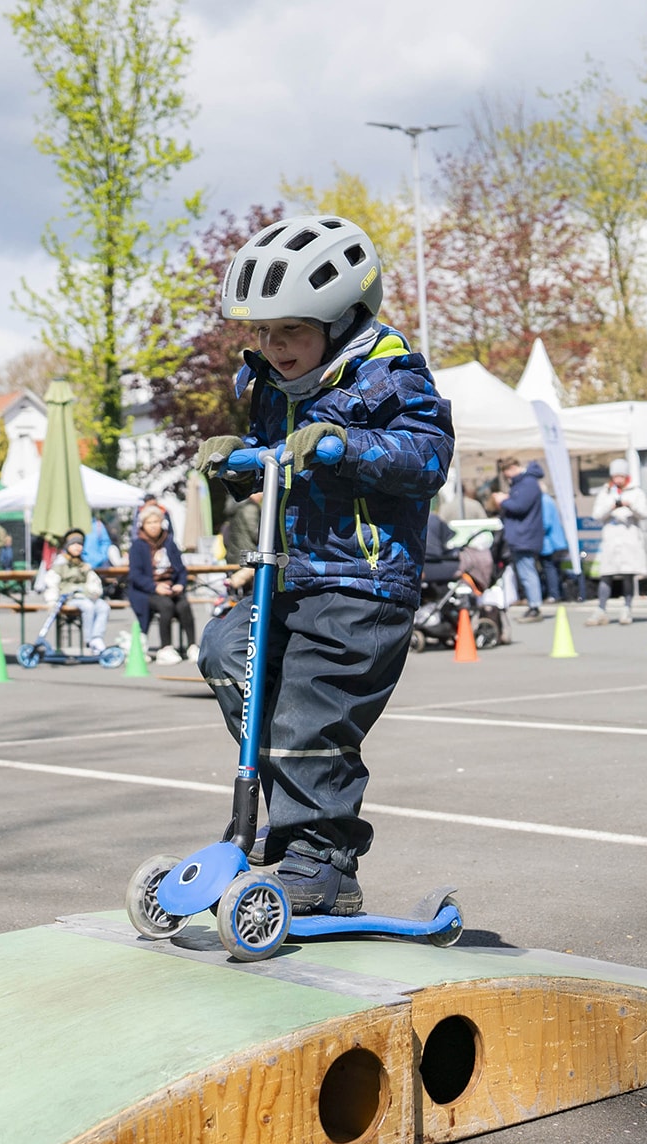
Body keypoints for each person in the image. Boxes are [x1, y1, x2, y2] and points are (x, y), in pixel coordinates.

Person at [194, 212, 453, 917]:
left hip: (364, 585)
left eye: (293, 332)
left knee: (311, 712)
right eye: (266, 333)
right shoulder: (276, 388)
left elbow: (428, 458)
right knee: (226, 651)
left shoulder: (392, 377)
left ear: (342, 323)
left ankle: (326, 861)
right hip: (292, 574)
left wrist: (347, 446)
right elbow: (275, 460)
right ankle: (286, 830)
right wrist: (238, 464)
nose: (276, 348)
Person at [126, 504, 195, 663]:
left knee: (184, 605)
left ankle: (192, 646)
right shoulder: (138, 546)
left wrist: (180, 584)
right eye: (150, 523)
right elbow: (135, 575)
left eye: (156, 522)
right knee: (166, 606)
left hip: (171, 587)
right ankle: (166, 648)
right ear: (143, 525)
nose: (154, 526)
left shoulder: (169, 543)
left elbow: (181, 570)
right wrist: (155, 587)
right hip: (146, 591)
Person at [586, 458, 647, 625]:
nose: (618, 479)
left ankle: (627, 608)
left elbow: (645, 513)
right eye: (615, 476)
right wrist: (612, 506)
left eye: (621, 476)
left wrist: (630, 505)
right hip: (611, 538)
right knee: (606, 574)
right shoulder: (606, 492)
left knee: (628, 575)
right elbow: (597, 515)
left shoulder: (636, 492)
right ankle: (601, 609)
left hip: (629, 537)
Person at [35, 528, 108, 652]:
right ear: (67, 546)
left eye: (80, 544)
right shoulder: (61, 562)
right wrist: (51, 601)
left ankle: (97, 637)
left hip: (85, 595)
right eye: (74, 544)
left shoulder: (83, 564)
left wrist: (94, 591)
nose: (77, 547)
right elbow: (52, 582)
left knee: (103, 607)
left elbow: (93, 581)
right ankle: (89, 640)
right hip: (68, 598)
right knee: (88, 607)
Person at [497, 458, 549, 620]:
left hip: (524, 535)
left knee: (527, 571)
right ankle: (533, 604)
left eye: (507, 474)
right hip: (523, 535)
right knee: (526, 571)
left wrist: (504, 500)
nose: (507, 478)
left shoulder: (527, 483)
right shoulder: (526, 483)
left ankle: (535, 606)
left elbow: (520, 506)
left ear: (512, 468)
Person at [539, 488, 576, 602]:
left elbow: (545, 523)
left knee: (550, 567)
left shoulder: (543, 501)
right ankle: (558, 593)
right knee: (554, 568)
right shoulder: (547, 499)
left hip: (550, 542)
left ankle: (554, 594)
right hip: (555, 541)